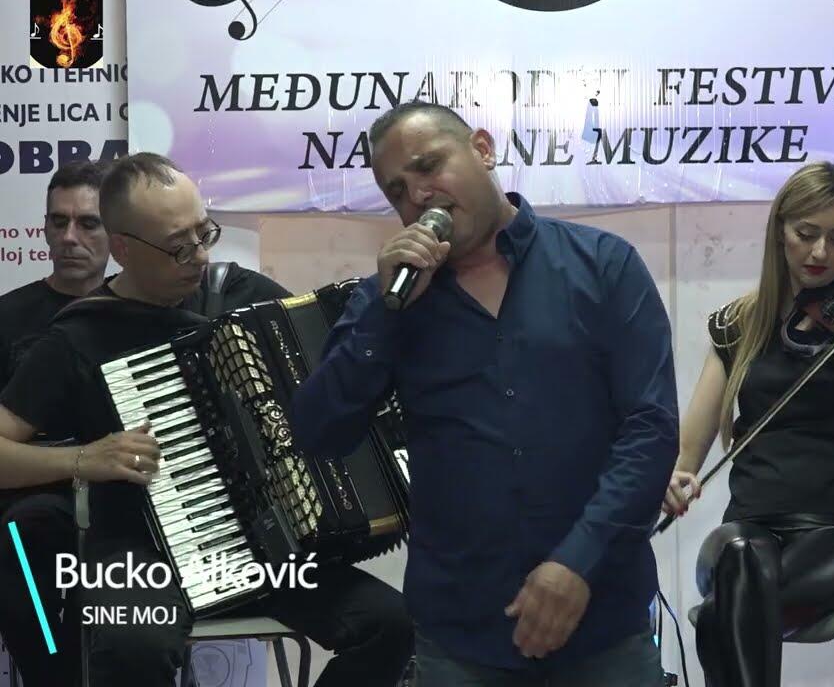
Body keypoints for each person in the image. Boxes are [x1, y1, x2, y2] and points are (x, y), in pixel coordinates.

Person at [290, 101, 678, 686]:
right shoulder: (387, 301)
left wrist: (578, 562)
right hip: (461, 634)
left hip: (602, 618)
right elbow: (319, 433)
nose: (418, 195)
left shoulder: (603, 265)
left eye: (428, 166)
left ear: (483, 149)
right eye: (397, 190)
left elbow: (650, 429)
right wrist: (385, 317)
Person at [0, 152, 412, 687]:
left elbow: (329, 375)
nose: (199, 254)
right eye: (178, 246)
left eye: (204, 232)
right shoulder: (76, 337)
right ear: (123, 249)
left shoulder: (241, 295)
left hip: (267, 550)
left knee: (390, 626)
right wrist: (84, 459)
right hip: (140, 554)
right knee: (131, 646)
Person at [661, 162, 834, 687]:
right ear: (780, 232)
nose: (820, 253)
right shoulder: (739, 324)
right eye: (806, 234)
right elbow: (688, 450)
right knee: (741, 563)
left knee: (729, 609)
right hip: (748, 531)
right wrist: (677, 477)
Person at [0, 159, 110, 686]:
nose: (69, 237)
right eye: (57, 221)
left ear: (117, 233)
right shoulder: (7, 317)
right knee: (21, 551)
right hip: (28, 500)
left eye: (88, 223)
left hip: (128, 502)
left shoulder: (140, 312)